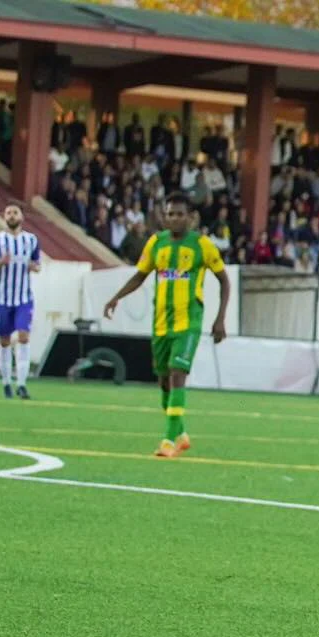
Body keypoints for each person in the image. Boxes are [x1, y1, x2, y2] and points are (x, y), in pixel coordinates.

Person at [102, 193, 230, 458]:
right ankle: (181, 434)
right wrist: (116, 297)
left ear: (191, 217)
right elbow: (140, 275)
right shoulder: (156, 244)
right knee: (163, 382)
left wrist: (220, 319)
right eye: (170, 213)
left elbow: (224, 281)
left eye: (179, 214)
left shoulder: (202, 246)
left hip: (188, 322)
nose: (174, 218)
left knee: (177, 374)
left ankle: (168, 442)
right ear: (164, 216)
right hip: (161, 323)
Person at [0, 203, 41, 399]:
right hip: (4, 299)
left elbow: (37, 264)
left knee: (24, 337)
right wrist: (0, 263)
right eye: (8, 212)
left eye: (15, 212)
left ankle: (22, 383)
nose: (12, 215)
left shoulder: (31, 240)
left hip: (24, 298)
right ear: (4, 217)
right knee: (4, 341)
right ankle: (6, 382)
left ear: (21, 217)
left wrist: (34, 266)